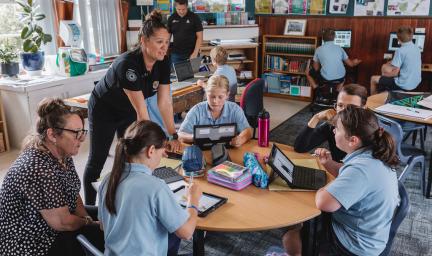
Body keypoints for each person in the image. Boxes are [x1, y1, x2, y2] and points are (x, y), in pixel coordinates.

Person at [84, 10, 180, 205]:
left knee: (129, 157)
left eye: (167, 42)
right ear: (143, 40)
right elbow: (142, 113)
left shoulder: (163, 61)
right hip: (104, 108)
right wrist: (159, 143)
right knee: (98, 160)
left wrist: (173, 135)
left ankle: (123, 200)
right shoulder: (128, 65)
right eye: (159, 42)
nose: (164, 48)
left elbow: (164, 102)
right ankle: (91, 209)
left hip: (127, 109)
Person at [284, 106, 400, 255]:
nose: (333, 131)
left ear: (353, 140)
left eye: (337, 129)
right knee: (305, 222)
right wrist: (329, 164)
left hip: (355, 245)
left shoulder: (362, 170)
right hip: (369, 231)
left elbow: (323, 202)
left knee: (290, 237)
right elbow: (349, 173)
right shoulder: (372, 154)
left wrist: (323, 186)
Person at [0, 98, 103, 256]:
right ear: (52, 135)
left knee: (107, 214)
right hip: (30, 241)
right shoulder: (39, 168)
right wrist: (92, 224)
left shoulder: (62, 153)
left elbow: (73, 193)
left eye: (83, 132)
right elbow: (63, 223)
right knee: (104, 235)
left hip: (51, 221)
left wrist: (88, 219)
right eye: (76, 133)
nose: (82, 139)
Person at [98, 120, 202, 255]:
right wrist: (193, 200)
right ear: (151, 151)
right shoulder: (156, 187)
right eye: (162, 152)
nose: (162, 157)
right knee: (176, 232)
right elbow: (187, 232)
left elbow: (102, 226)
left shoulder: (108, 179)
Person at [294, 84, 367, 176]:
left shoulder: (368, 131)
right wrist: (316, 118)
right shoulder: (332, 126)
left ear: (363, 108)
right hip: (336, 173)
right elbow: (300, 147)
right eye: (340, 105)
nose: (343, 112)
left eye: (351, 107)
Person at [178, 75, 252, 147]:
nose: (215, 101)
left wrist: (241, 139)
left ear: (227, 95)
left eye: (220, 97)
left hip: (228, 152)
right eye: (211, 96)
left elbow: (248, 131)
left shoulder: (235, 109)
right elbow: (180, 134)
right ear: (206, 94)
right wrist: (195, 137)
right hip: (202, 153)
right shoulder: (196, 110)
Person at [370, 26, 421, 95]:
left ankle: (373, 101)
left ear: (398, 39)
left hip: (404, 85)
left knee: (373, 78)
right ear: (411, 36)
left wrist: (384, 75)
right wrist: (390, 63)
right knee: (386, 67)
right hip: (415, 83)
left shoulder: (400, 51)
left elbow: (395, 73)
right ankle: (386, 92)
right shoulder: (416, 48)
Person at [168, 0, 203, 64]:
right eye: (179, 9)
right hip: (176, 54)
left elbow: (200, 37)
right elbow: (167, 38)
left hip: (192, 53)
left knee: (193, 74)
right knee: (175, 74)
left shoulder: (195, 17)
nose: (181, 12)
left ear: (187, 6)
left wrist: (195, 53)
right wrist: (165, 50)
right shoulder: (171, 18)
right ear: (175, 7)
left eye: (183, 9)